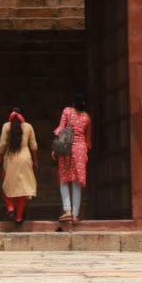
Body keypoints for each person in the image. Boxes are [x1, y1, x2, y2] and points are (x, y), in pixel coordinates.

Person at [52, 93, 92, 223]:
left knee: (64, 179)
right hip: (81, 150)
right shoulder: (87, 118)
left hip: (67, 148)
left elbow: (61, 130)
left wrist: (55, 148)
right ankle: (75, 215)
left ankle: (67, 210)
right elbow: (88, 140)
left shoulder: (67, 111)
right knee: (76, 182)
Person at [0, 107, 37, 225]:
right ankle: (19, 217)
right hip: (25, 158)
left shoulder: (6, 126)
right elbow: (34, 146)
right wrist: (35, 161)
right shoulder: (28, 126)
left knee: (7, 183)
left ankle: (10, 208)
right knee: (22, 188)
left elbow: (2, 145)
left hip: (10, 158)